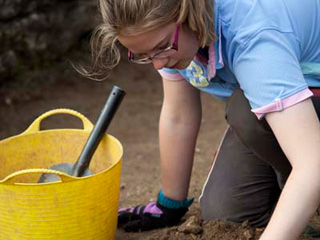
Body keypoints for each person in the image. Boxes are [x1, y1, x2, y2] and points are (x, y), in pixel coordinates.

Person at [81, 0, 320, 239]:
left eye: (161, 47)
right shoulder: (171, 39)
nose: (157, 63)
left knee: (244, 113)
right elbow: (178, 115)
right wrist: (170, 205)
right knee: (226, 212)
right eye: (143, 55)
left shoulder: (253, 37)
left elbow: (313, 163)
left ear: (188, 13)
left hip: (307, 92)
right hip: (286, 97)